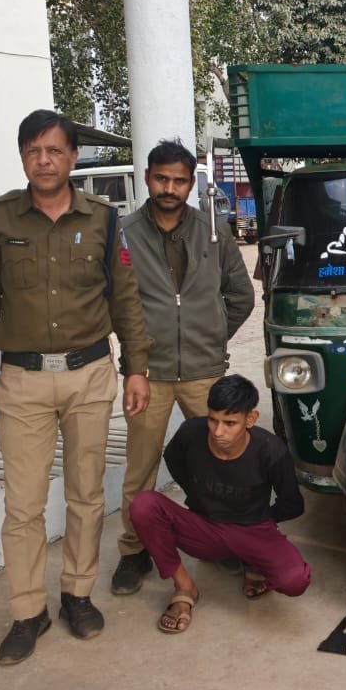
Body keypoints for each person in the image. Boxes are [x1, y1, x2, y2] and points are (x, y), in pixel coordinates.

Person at [0, 109, 152, 666]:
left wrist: (136, 367)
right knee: (22, 505)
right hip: (21, 381)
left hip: (88, 376)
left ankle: (76, 595)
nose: (43, 160)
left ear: (73, 157)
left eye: (54, 150)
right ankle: (28, 611)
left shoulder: (103, 219)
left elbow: (125, 299)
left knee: (86, 495)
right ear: (23, 157)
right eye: (33, 151)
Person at [110, 140, 255, 598]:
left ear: (191, 184)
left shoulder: (212, 230)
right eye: (161, 179)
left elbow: (241, 295)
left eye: (178, 181)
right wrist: (134, 359)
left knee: (222, 462)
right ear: (147, 178)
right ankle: (134, 551)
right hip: (147, 374)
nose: (169, 188)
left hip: (203, 371)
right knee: (140, 469)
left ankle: (223, 539)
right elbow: (117, 304)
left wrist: (211, 336)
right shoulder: (125, 233)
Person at [129, 375, 311, 634]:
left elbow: (293, 504)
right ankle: (184, 588)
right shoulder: (191, 433)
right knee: (143, 505)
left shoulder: (271, 450)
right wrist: (199, 501)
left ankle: (253, 562)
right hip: (204, 528)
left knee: (295, 580)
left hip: (254, 529)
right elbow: (174, 460)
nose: (218, 431)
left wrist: (262, 522)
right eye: (213, 420)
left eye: (230, 423)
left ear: (251, 419)